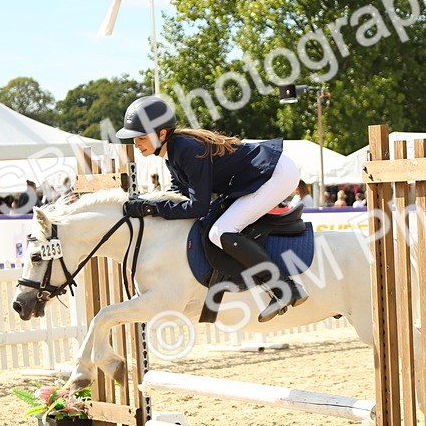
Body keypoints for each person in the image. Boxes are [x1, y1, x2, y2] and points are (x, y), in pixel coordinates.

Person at [114, 95, 308, 322]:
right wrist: (146, 202)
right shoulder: (174, 152)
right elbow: (178, 193)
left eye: (141, 137)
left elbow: (198, 206)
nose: (136, 144)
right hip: (266, 173)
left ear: (162, 133)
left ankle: (285, 288)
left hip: (276, 174)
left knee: (221, 231)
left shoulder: (186, 150)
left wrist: (151, 209)